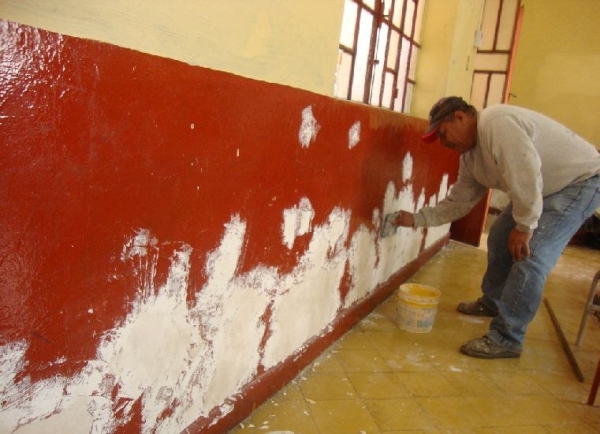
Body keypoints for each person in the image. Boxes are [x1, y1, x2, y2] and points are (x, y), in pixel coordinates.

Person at [393, 96, 600, 359]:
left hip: (580, 182)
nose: (444, 144)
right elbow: (459, 202)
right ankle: (494, 301)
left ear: (461, 116)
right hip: (543, 188)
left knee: (530, 256)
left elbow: (526, 171)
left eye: (443, 134)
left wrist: (525, 226)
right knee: (500, 237)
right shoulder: (470, 158)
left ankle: (507, 337)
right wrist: (417, 219)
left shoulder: (497, 123)